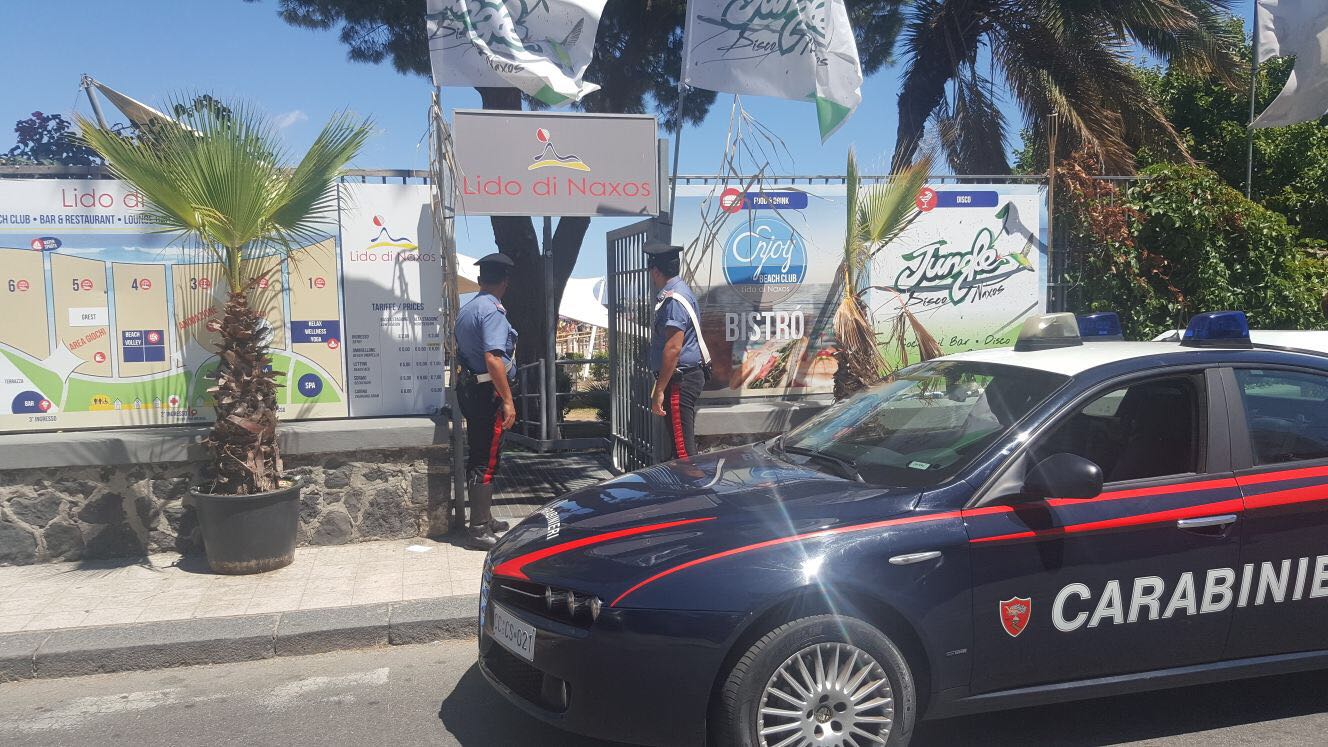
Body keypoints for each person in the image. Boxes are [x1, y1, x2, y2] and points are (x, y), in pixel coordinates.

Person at [454, 253, 517, 550]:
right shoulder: (492, 311)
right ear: (505, 282)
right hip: (487, 392)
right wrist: (508, 400)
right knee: (486, 459)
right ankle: (478, 529)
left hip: (470, 390)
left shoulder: (468, 309)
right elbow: (493, 359)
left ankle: (484, 518)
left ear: (480, 281)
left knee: (480, 453)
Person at [645, 242, 707, 460]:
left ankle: (693, 491)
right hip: (682, 377)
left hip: (680, 380)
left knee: (683, 452)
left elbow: (673, 348)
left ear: (655, 270)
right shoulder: (680, 292)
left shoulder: (673, 299)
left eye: (651, 271)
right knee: (679, 446)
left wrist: (659, 390)